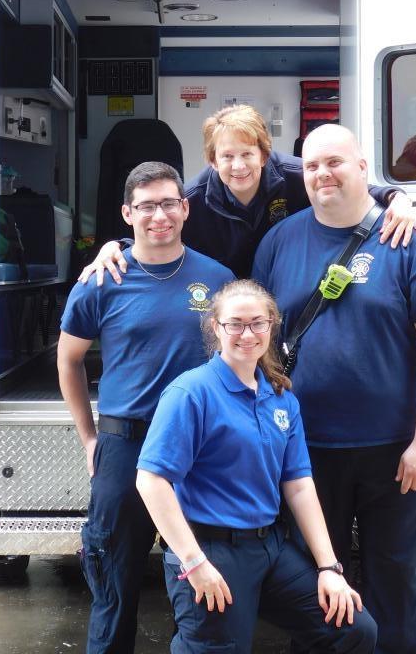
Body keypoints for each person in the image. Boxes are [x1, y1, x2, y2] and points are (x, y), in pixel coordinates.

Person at [252, 124, 416, 654]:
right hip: (304, 453)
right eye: (311, 166)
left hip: (395, 454)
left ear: (363, 170)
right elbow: (259, 338)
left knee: (397, 586)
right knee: (316, 588)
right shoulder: (280, 240)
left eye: (334, 162)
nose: (322, 173)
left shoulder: (404, 238)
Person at [136, 279, 377, 654]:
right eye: (235, 323)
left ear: (271, 325)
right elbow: (151, 481)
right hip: (211, 551)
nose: (247, 334)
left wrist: (329, 568)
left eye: (257, 323)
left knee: (352, 629)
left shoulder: (279, 397)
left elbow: (298, 485)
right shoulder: (191, 393)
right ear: (216, 327)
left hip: (270, 549)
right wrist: (194, 562)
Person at [57, 161, 234, 654]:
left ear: (185, 208)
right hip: (125, 443)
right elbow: (68, 361)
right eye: (147, 206)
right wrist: (90, 437)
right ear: (127, 213)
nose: (160, 215)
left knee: (201, 583)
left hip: (199, 448)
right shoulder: (102, 280)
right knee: (114, 582)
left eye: (169, 203)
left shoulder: (216, 279)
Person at [81, 104, 416, 284]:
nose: (238, 165)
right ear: (212, 160)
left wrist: (396, 197)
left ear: (264, 152)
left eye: (247, 153)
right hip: (226, 299)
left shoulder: (295, 175)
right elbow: (158, 230)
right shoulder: (193, 199)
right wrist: (117, 247)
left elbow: (348, 185)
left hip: (291, 288)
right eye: (227, 156)